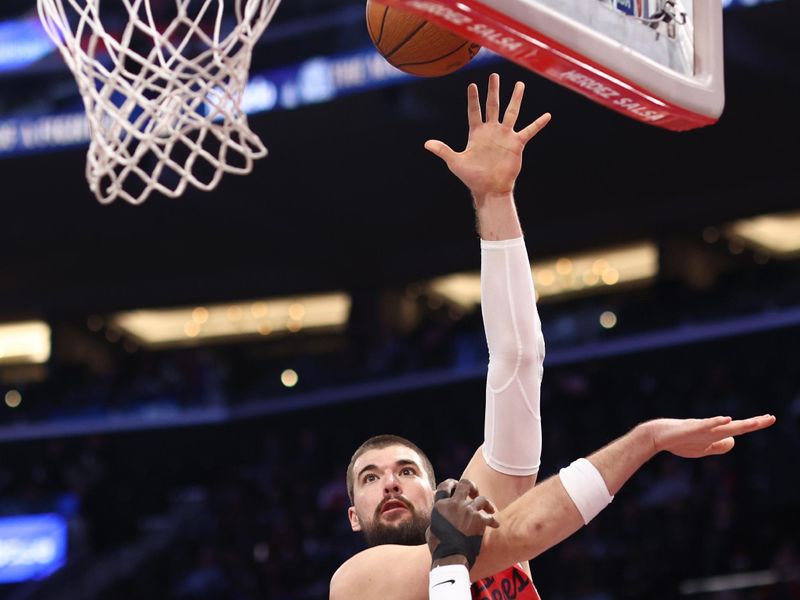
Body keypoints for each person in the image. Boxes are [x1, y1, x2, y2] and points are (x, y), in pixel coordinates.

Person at [338, 71, 553, 598]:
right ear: (353, 518)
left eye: (406, 471)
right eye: (370, 479)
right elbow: (458, 544)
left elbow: (520, 358)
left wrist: (495, 197)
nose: (389, 481)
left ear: (437, 491)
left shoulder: (476, 518)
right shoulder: (356, 582)